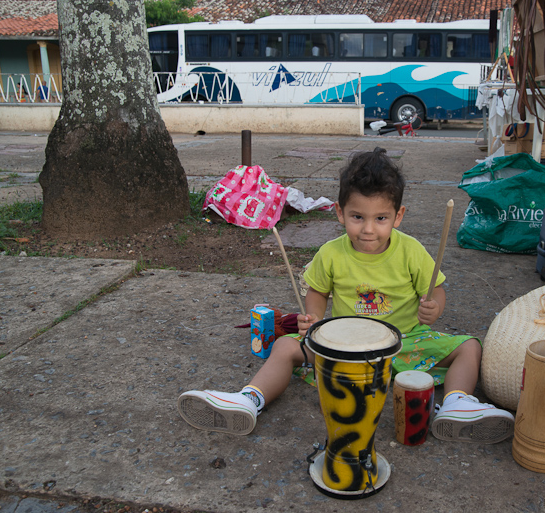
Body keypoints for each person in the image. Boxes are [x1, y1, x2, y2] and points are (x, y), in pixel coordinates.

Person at [177, 148, 515, 444]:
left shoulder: (412, 251)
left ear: (398, 216)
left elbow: (435, 291)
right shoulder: (331, 253)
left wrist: (433, 308)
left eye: (380, 218)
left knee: (470, 345)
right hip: (341, 350)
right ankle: (249, 399)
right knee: (284, 346)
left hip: (406, 342)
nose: (368, 229)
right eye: (357, 217)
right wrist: (313, 320)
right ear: (340, 213)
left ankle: (456, 403)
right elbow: (318, 291)